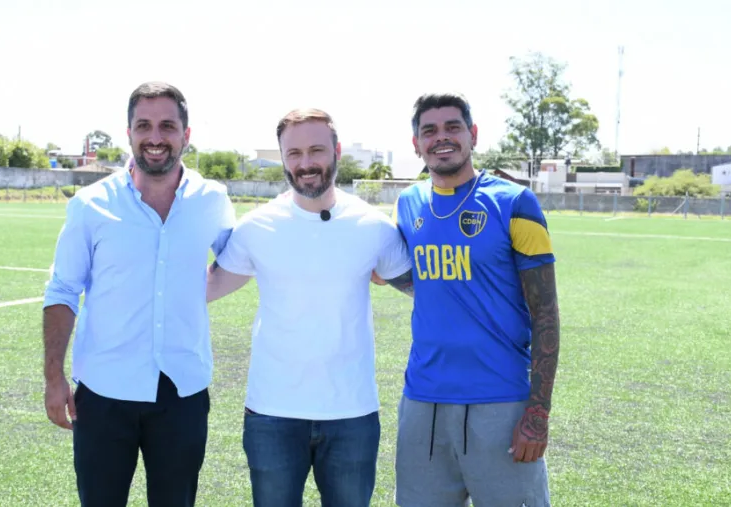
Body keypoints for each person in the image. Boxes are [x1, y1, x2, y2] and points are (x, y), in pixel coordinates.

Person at [205, 108, 414, 507]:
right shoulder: (256, 227)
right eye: (294, 153)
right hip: (272, 415)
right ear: (282, 158)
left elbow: (425, 291)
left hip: (352, 414)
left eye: (316, 150)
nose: (306, 163)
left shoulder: (373, 227)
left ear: (336, 151)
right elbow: (208, 287)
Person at [41, 81, 236, 507]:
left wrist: (190, 292)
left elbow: (236, 261)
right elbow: (62, 290)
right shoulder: (91, 205)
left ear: (186, 134)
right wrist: (53, 377)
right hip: (104, 393)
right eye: (143, 125)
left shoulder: (212, 200)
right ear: (128, 132)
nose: (155, 137)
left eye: (167, 125)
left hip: (183, 392)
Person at [388, 92, 560, 507]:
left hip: (499, 403)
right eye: (429, 130)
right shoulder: (408, 203)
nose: (441, 137)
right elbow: (418, 278)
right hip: (422, 403)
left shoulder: (515, 203)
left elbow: (546, 315)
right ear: (416, 144)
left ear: (473, 135)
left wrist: (537, 414)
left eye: (453, 127)